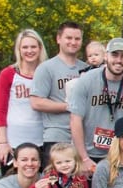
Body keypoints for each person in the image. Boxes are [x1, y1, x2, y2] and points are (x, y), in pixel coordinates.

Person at [68, 38, 123, 172]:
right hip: (86, 154)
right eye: (114, 55)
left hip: (117, 156)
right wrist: (84, 158)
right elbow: (75, 120)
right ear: (105, 56)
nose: (119, 60)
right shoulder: (86, 80)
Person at [30, 21, 85, 166]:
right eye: (69, 38)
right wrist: (69, 106)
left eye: (77, 39)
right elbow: (36, 102)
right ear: (58, 39)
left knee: (80, 185)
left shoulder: (86, 68)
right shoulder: (46, 68)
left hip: (82, 136)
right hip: (57, 136)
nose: (73, 42)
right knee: (55, 184)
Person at [0, 29, 48, 175]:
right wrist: (3, 143)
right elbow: (0, 110)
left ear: (40, 48)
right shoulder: (8, 74)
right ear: (19, 49)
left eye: (33, 47)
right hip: (13, 143)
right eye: (25, 47)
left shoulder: (47, 73)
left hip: (43, 143)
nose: (29, 51)